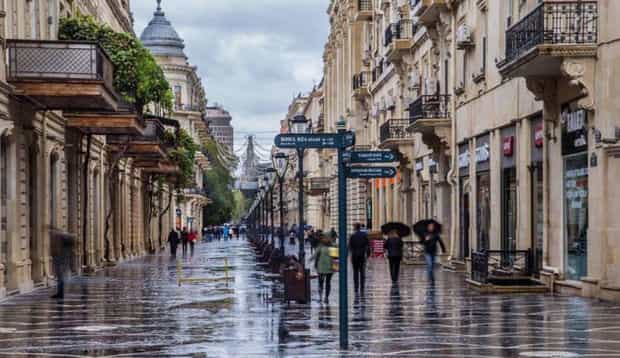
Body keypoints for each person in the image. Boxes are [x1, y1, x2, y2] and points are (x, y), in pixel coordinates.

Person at [50, 230, 76, 299]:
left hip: (61, 262)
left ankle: (60, 294)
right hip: (62, 262)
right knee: (60, 278)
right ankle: (60, 293)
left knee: (60, 278)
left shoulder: (64, 249)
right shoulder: (67, 248)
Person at [349, 223, 370, 295]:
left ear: (355, 228)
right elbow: (368, 245)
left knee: (355, 271)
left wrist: (351, 256)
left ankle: (356, 287)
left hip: (355, 256)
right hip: (362, 255)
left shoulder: (352, 236)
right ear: (360, 227)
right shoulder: (364, 235)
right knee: (362, 271)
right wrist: (368, 255)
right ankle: (362, 287)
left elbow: (350, 247)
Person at [313, 233, 335, 304]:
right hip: (329, 268)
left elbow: (315, 256)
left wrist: (315, 264)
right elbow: (335, 258)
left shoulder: (320, 247)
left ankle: (321, 297)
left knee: (321, 283)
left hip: (321, 268)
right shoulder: (332, 247)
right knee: (327, 283)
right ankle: (326, 297)